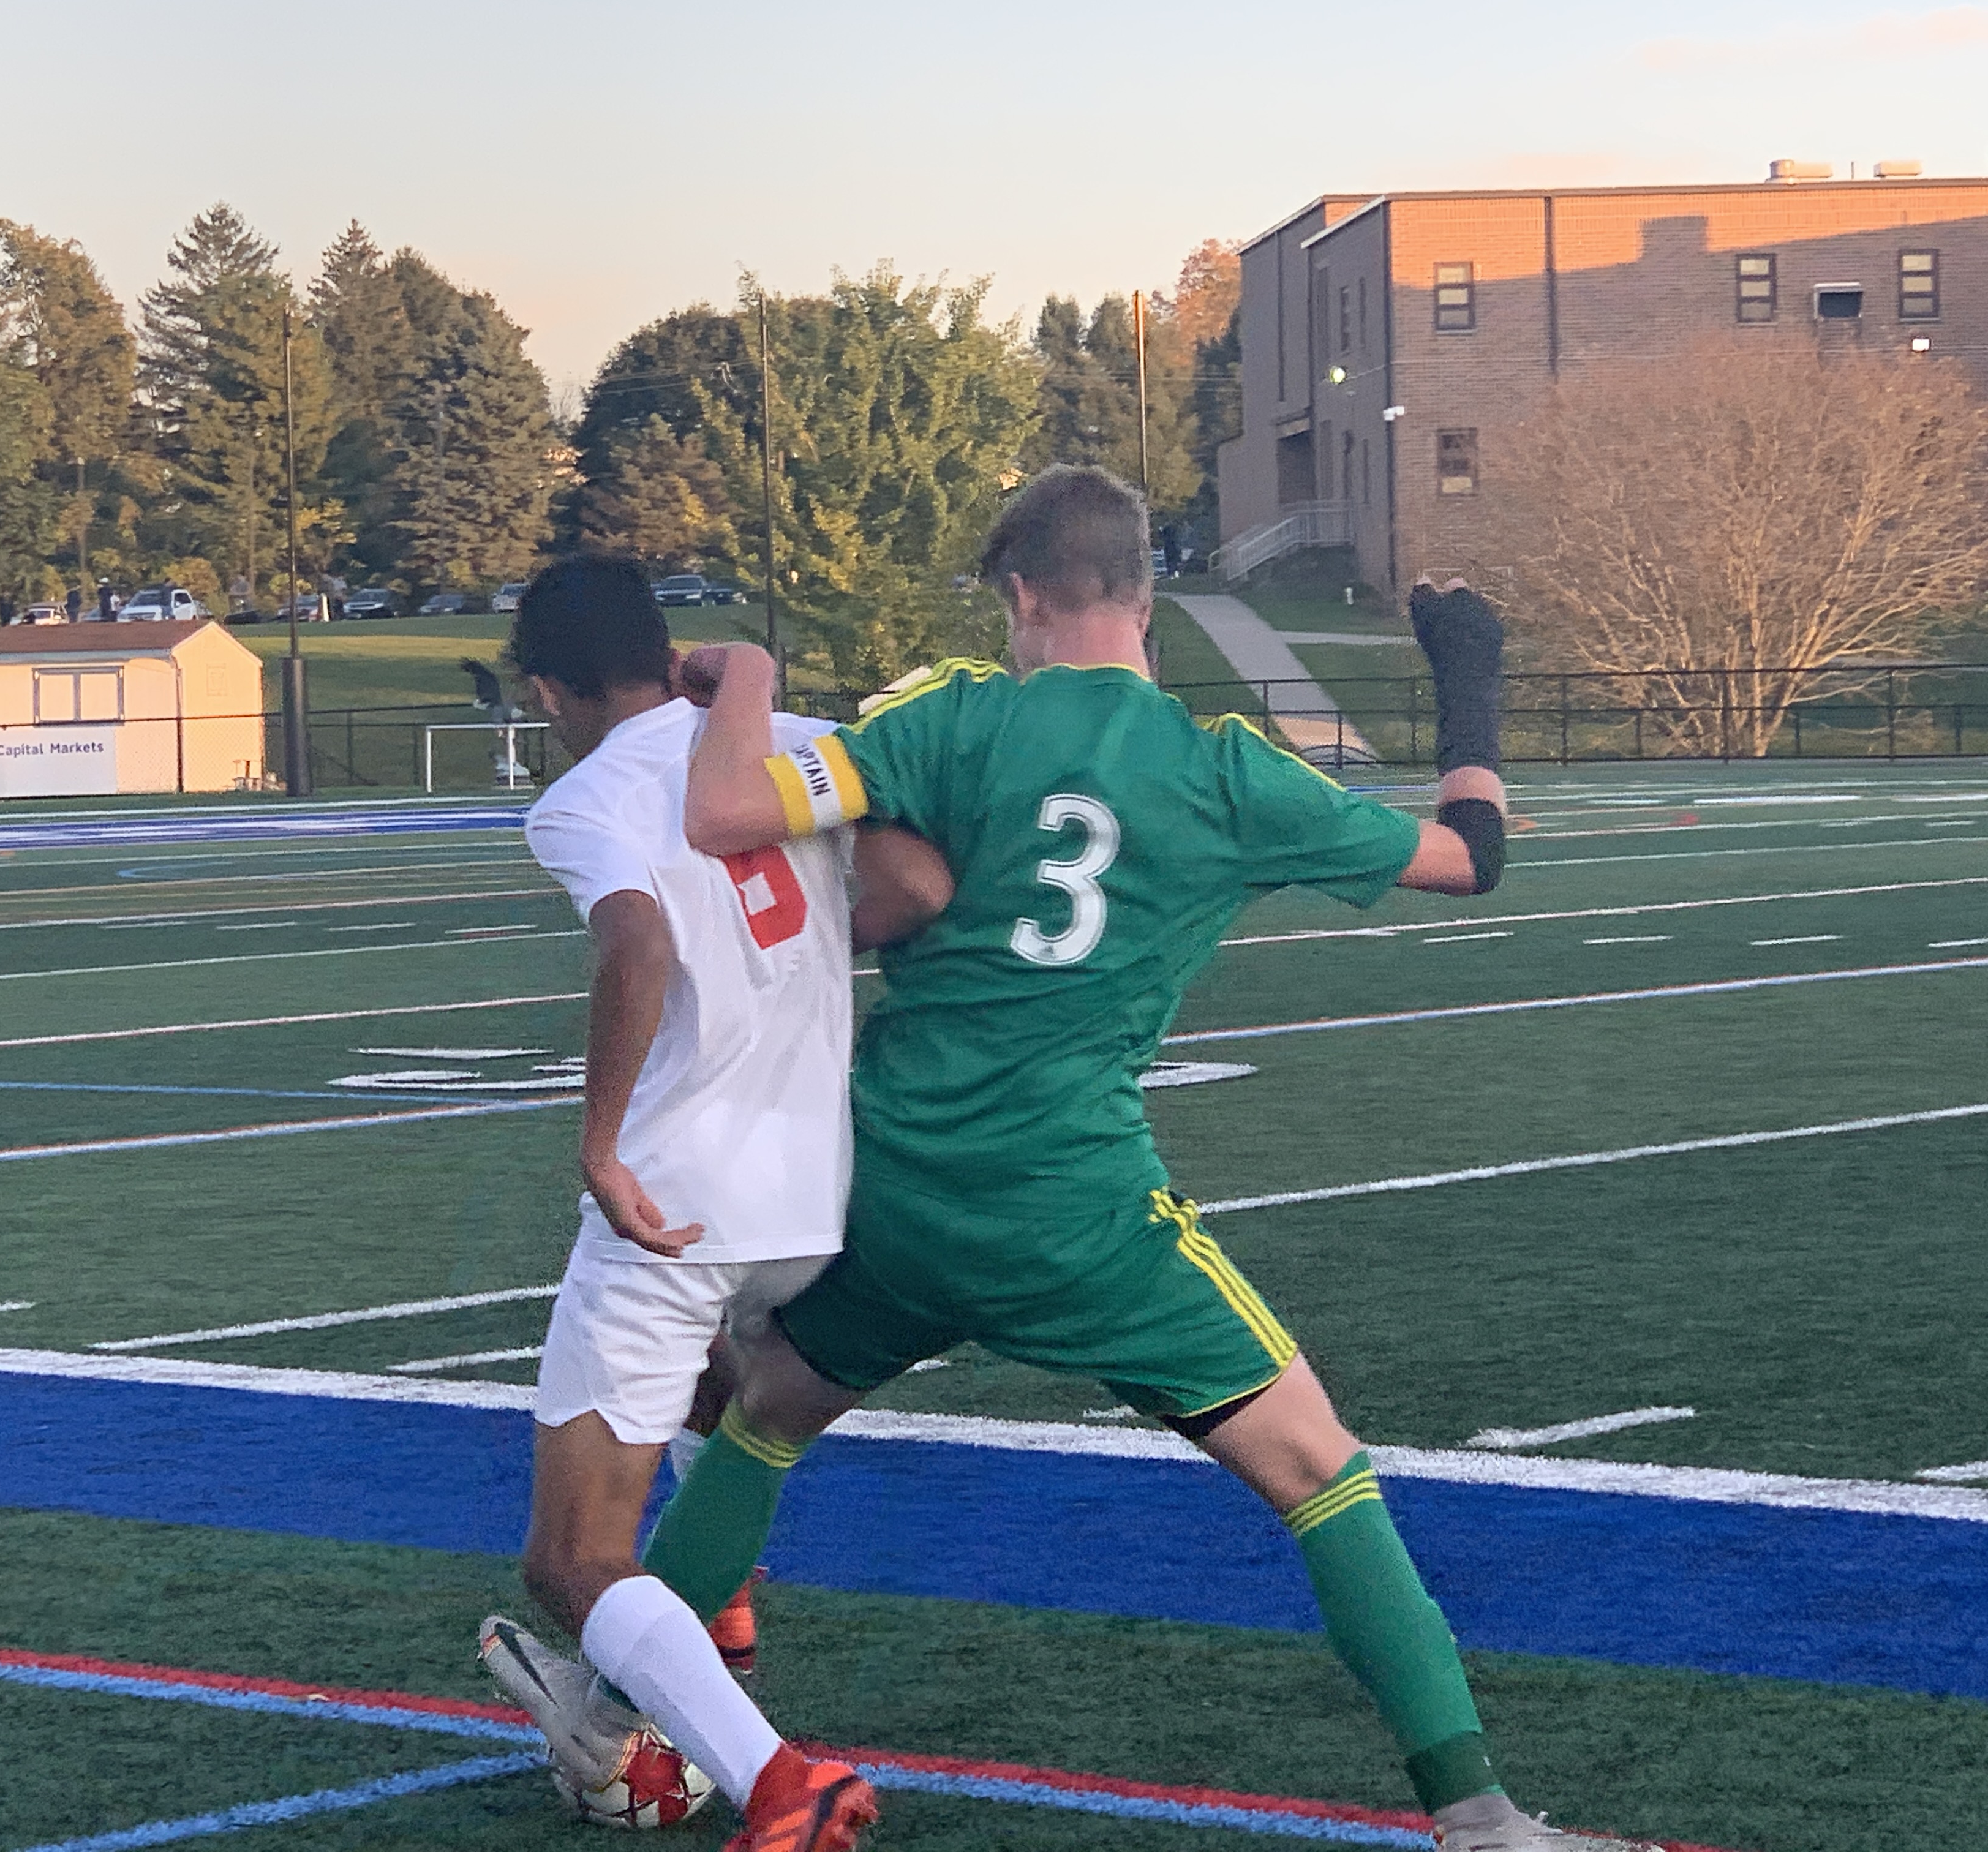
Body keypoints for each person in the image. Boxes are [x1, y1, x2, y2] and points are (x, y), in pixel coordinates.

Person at [644, 467, 1649, 1852]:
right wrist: (1468, 677)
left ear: (1019, 597)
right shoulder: (1224, 769)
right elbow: (1471, 859)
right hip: (1076, 1207)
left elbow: (727, 812)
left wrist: (742, 674)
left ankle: (616, 1708)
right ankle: (1477, 1817)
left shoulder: (946, 718)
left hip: (900, 1186)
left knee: (761, 1413)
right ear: (1141, 598)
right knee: (1318, 1468)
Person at [476, 557, 947, 1852]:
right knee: (708, 1395)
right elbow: (916, 890)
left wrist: (600, 1142)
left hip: (683, 1197)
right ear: (661, 646)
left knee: (572, 1559)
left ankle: (780, 1782)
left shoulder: (582, 796)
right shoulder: (792, 742)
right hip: (814, 1196)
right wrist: (794, 957)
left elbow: (637, 945)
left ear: (551, 687)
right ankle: (718, 1621)